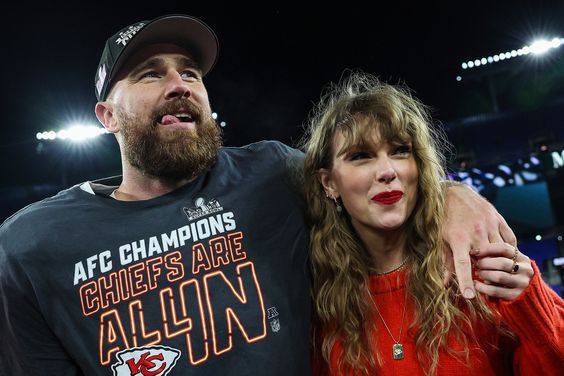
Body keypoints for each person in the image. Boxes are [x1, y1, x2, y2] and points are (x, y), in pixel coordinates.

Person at [0, 14, 516, 375]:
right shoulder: (33, 245)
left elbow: (370, 175)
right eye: (150, 74)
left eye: (190, 72)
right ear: (106, 116)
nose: (179, 83)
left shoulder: (272, 173)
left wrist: (451, 193)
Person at [301, 71, 564, 375]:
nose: (387, 171)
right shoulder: (317, 303)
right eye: (361, 156)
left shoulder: (477, 266)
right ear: (329, 183)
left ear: (419, 165)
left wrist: (531, 305)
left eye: (400, 150)